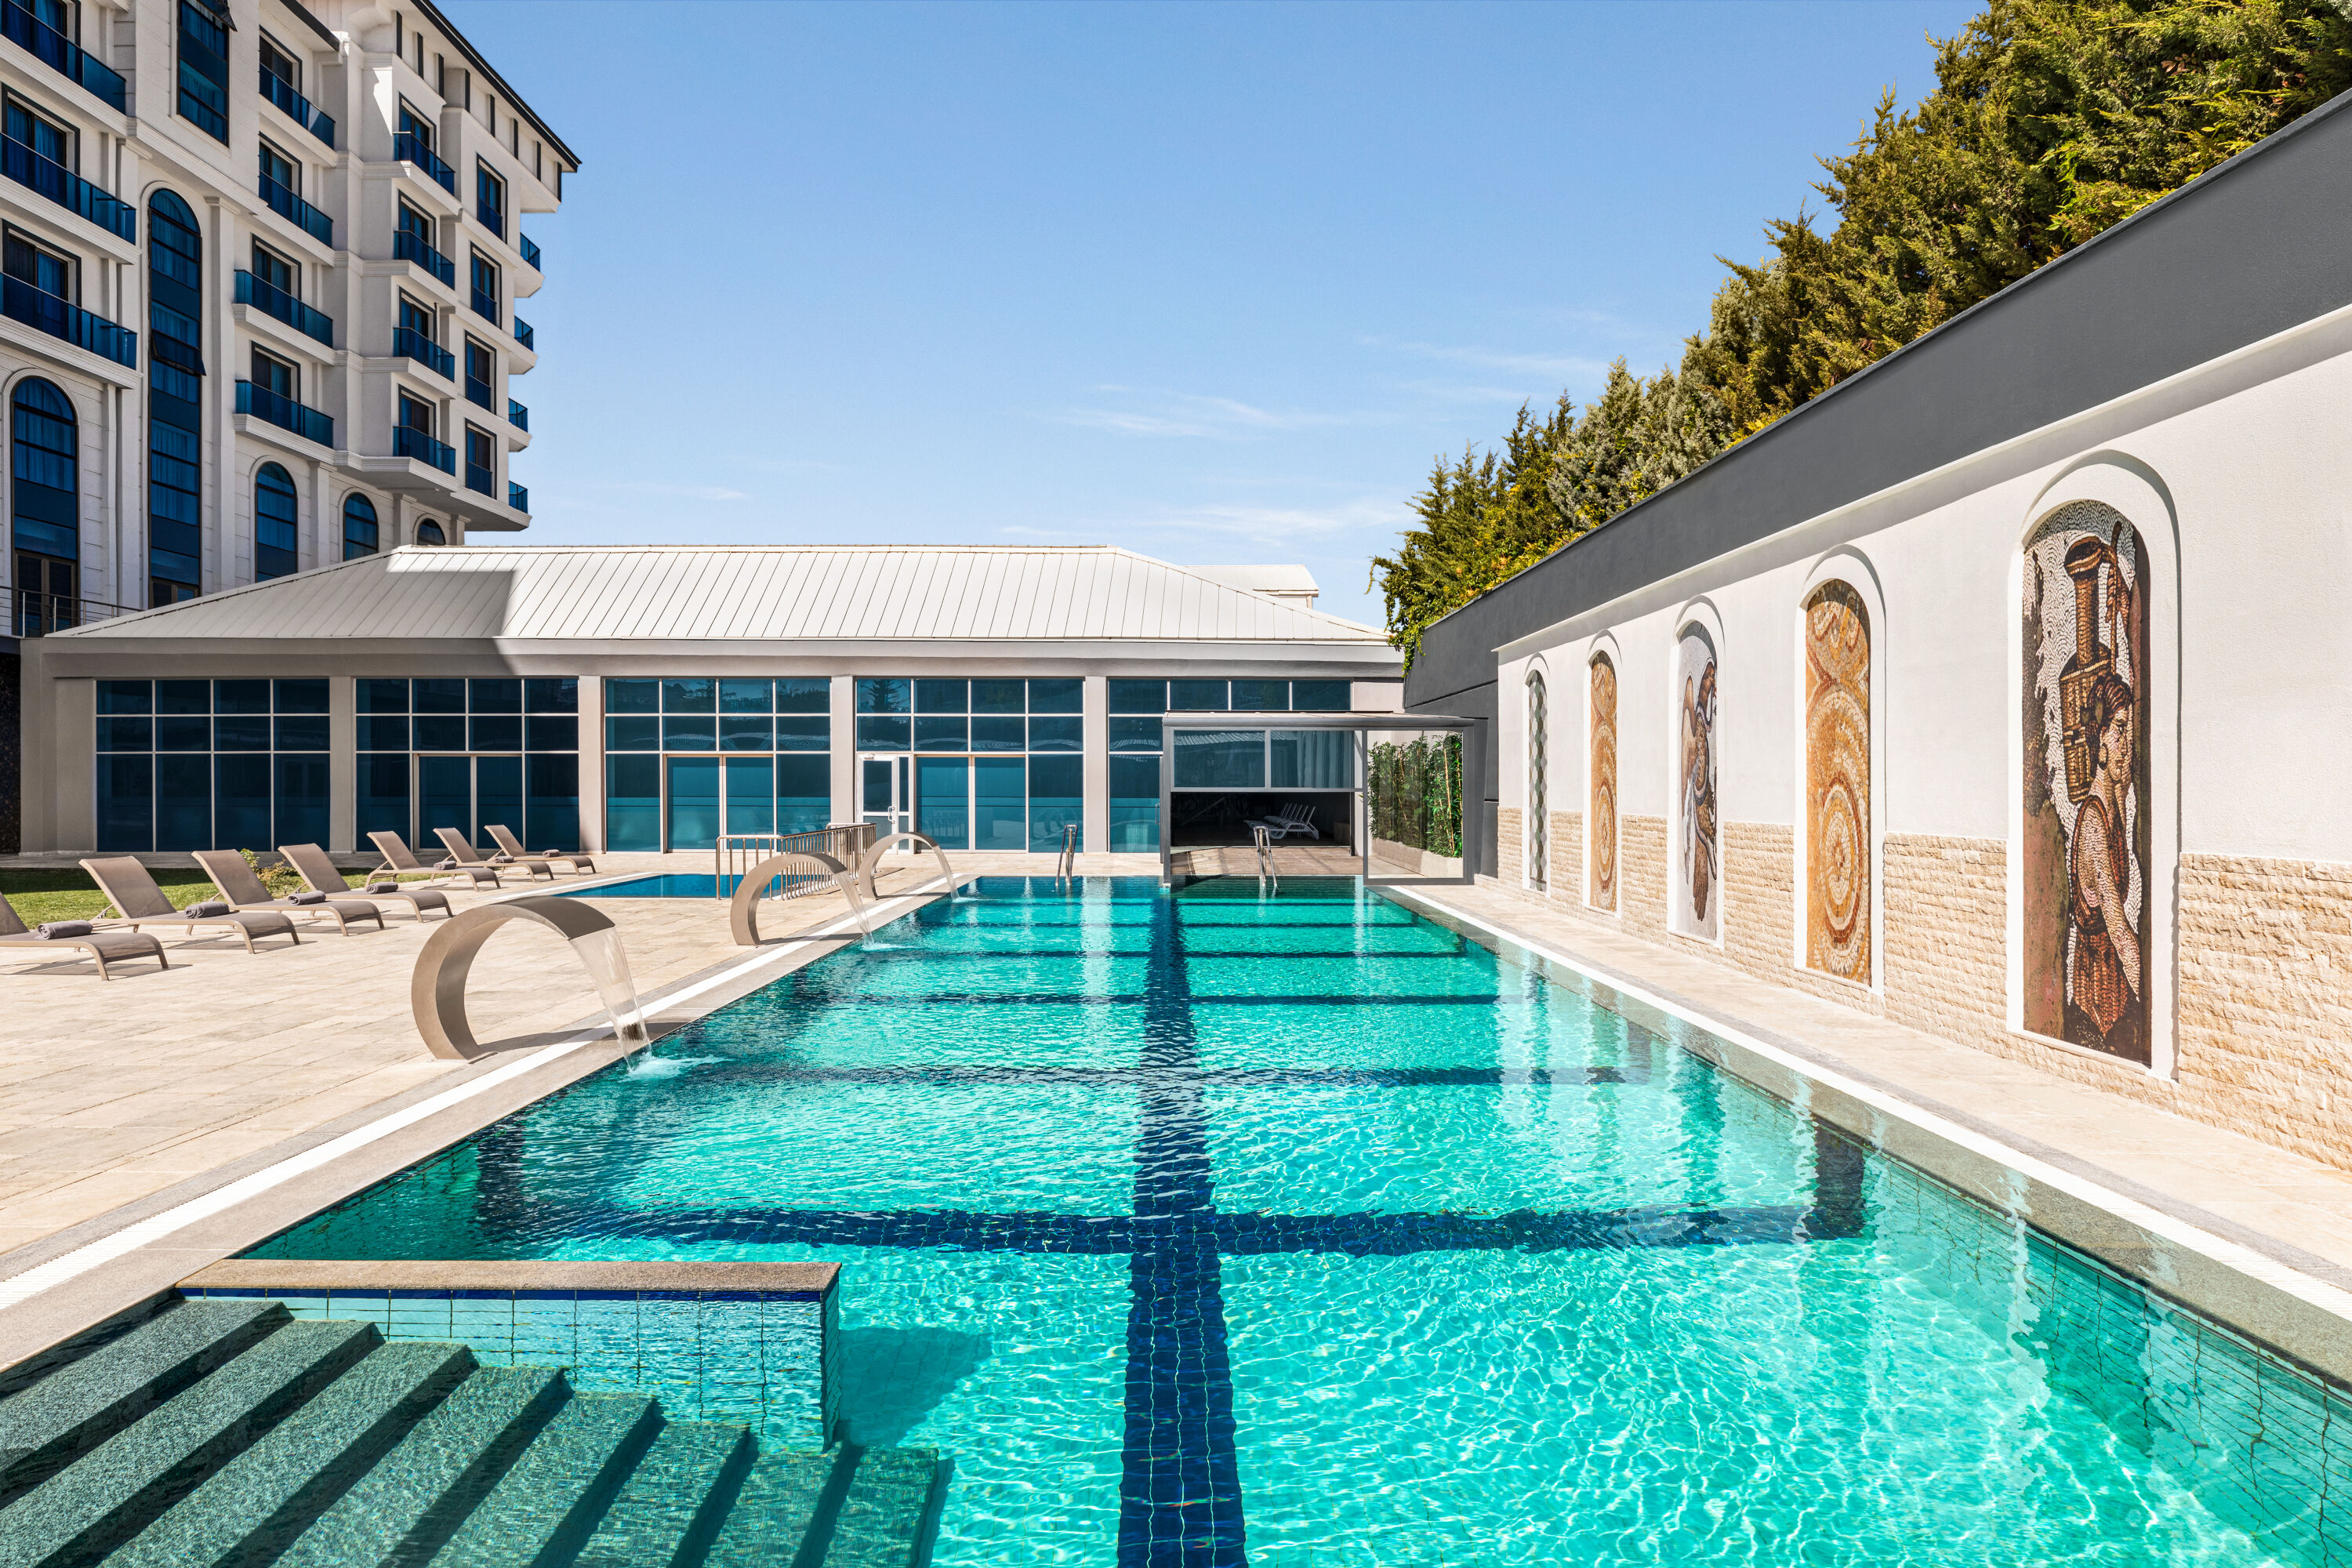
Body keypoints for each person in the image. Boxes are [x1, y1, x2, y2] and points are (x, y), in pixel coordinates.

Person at [2064, 672, 2143, 1058]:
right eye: (2119, 731)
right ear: (2100, 742)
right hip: (2096, 1013)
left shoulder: (2116, 799)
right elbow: (2119, 931)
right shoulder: (2094, 823)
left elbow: (2125, 776)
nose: (2127, 745)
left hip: (2117, 998)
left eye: (2130, 731)